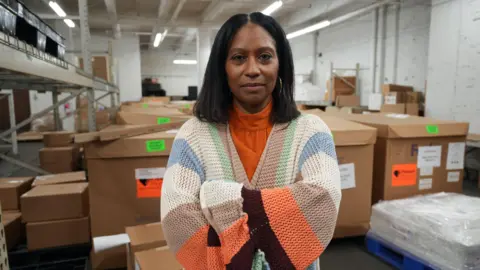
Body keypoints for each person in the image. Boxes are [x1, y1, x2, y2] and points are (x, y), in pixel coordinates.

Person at [161, 12, 341, 270]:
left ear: (281, 64)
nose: (253, 69)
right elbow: (177, 217)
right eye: (238, 58)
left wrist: (216, 197)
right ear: (222, 67)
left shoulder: (312, 132)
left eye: (265, 57)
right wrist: (278, 213)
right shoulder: (193, 135)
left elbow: (322, 201)